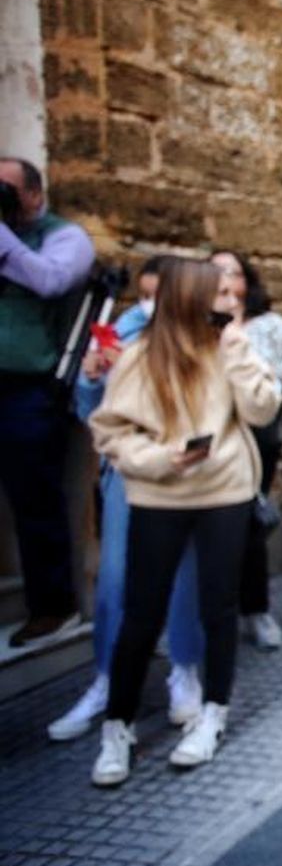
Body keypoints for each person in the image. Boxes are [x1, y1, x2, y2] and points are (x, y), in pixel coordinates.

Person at [87, 259, 282, 785]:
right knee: (141, 613)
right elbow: (109, 431)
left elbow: (263, 410)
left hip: (225, 492)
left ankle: (213, 713)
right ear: (191, 297)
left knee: (219, 607)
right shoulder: (139, 357)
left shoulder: (230, 347)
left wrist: (237, 349)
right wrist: (160, 459)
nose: (231, 297)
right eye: (220, 291)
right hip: (160, 493)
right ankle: (117, 727)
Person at [48, 256, 207, 741]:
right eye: (144, 294)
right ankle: (107, 680)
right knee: (116, 580)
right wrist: (95, 379)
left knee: (183, 578)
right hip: (129, 476)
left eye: (160, 295)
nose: (149, 306)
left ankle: (184, 671)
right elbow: (91, 414)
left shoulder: (202, 340)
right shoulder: (122, 334)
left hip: (183, 475)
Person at [1, 155, 95, 647]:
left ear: (35, 194)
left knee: (35, 498)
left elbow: (51, 280)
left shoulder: (65, 237)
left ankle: (52, 606)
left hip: (28, 388)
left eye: (7, 190)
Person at [211, 250, 282, 650]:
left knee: (249, 521)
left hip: (257, 436)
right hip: (212, 437)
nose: (226, 281)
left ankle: (256, 609)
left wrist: (261, 375)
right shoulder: (196, 324)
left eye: (232, 273)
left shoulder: (267, 325)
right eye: (216, 272)